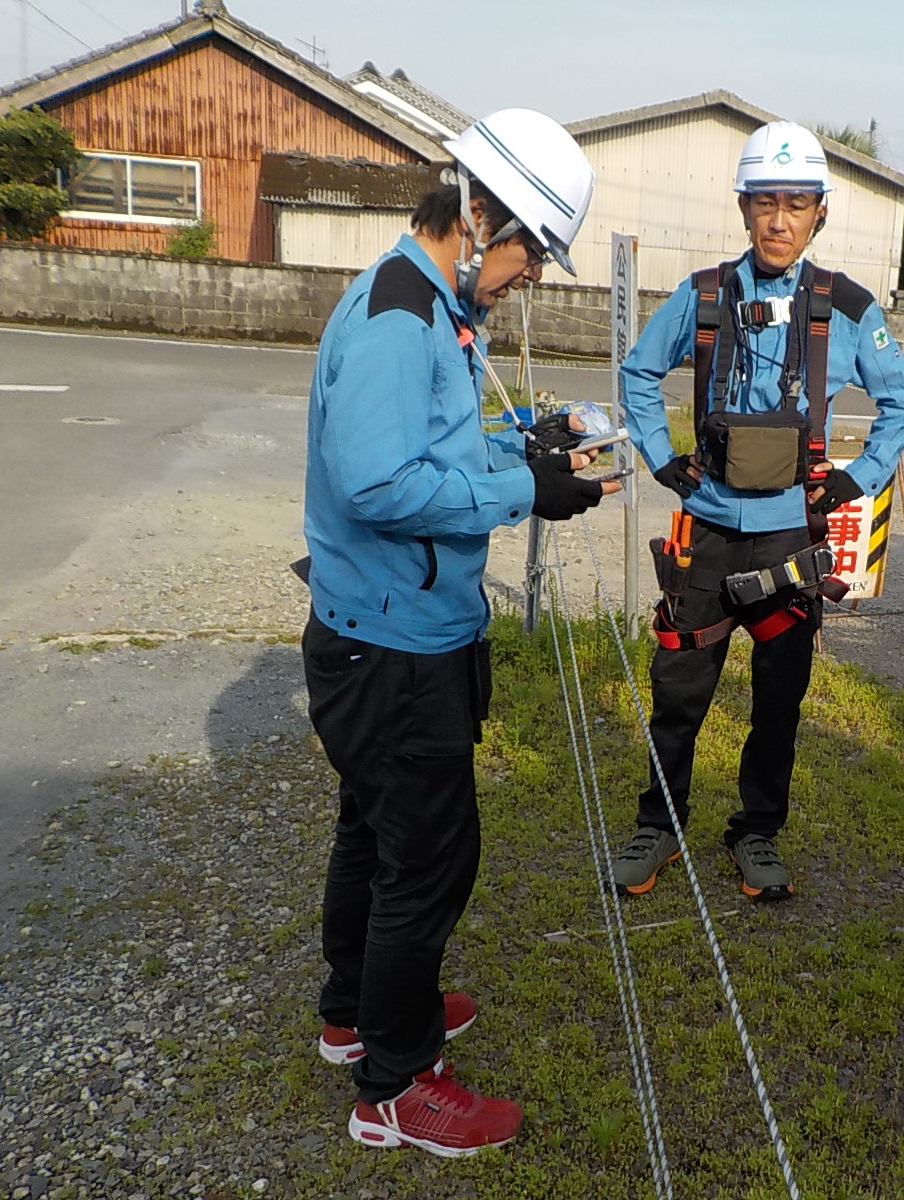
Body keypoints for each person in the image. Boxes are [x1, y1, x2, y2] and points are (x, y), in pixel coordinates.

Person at [301, 108, 616, 1157]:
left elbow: (433, 441)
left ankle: (358, 1016)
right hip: (394, 642)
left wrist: (529, 444)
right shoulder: (400, 317)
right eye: (532, 251)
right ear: (480, 215)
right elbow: (381, 480)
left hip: (389, 628)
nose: (531, 276)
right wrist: (523, 490)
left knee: (376, 836)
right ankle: (395, 1088)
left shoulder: (430, 305)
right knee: (428, 858)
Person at [611, 120, 904, 901]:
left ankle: (757, 833)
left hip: (791, 537)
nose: (779, 220)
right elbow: (638, 371)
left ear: (820, 213)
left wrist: (858, 481)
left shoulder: (846, 308)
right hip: (709, 530)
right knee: (678, 688)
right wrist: (661, 458)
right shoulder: (705, 296)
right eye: (765, 203)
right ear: (744, 208)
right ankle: (660, 825)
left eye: (796, 204)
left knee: (779, 698)